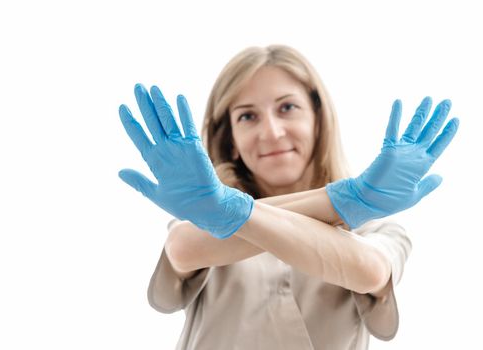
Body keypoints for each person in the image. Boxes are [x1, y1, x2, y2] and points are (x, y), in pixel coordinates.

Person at [118, 45, 459, 349]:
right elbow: (183, 247)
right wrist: (341, 203)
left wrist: (232, 213)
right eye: (247, 116)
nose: (272, 132)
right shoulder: (200, 211)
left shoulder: (377, 229)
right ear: (232, 138)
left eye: (287, 108)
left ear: (318, 119)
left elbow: (370, 270)